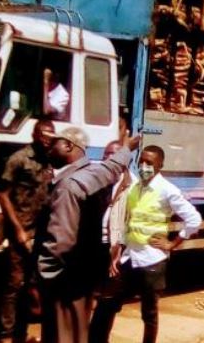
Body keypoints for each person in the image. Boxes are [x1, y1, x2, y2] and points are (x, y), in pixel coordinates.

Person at [35, 127, 138, 343]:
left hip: (63, 281)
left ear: (68, 146)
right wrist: (126, 149)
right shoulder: (93, 174)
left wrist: (42, 277)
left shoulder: (68, 186)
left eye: (54, 144)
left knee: (61, 336)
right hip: (83, 278)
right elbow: (112, 167)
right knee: (78, 334)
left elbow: (60, 242)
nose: (49, 148)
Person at [90, 145, 202, 343]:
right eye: (141, 161)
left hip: (152, 261)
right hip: (129, 257)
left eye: (149, 163)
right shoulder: (135, 187)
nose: (143, 166)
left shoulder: (167, 190)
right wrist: (118, 250)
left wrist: (172, 244)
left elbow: (194, 219)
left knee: (148, 313)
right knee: (107, 303)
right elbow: (128, 221)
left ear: (160, 165)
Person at [0, 118, 56, 343]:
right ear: (35, 135)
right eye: (44, 135)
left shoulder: (50, 162)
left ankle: (22, 332)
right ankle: (6, 334)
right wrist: (18, 229)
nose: (48, 139)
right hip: (20, 229)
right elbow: (2, 194)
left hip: (42, 232)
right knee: (15, 283)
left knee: (33, 283)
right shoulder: (19, 159)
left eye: (51, 135)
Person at [88, 140, 136, 343]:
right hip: (93, 246)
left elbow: (133, 222)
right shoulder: (96, 179)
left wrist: (120, 250)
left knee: (108, 302)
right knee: (87, 296)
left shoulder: (133, 186)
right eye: (106, 154)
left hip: (115, 250)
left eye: (113, 155)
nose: (109, 158)